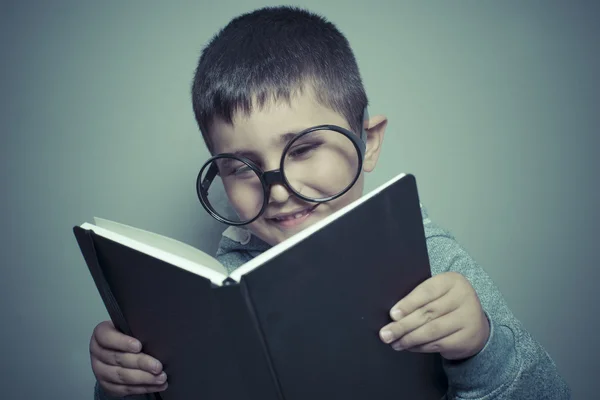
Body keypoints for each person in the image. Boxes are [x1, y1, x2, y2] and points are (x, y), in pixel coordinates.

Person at [89, 6, 570, 399]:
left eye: (302, 149)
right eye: (240, 166)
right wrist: (120, 385)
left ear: (370, 142)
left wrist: (480, 348)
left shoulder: (430, 263)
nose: (277, 191)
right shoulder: (218, 283)